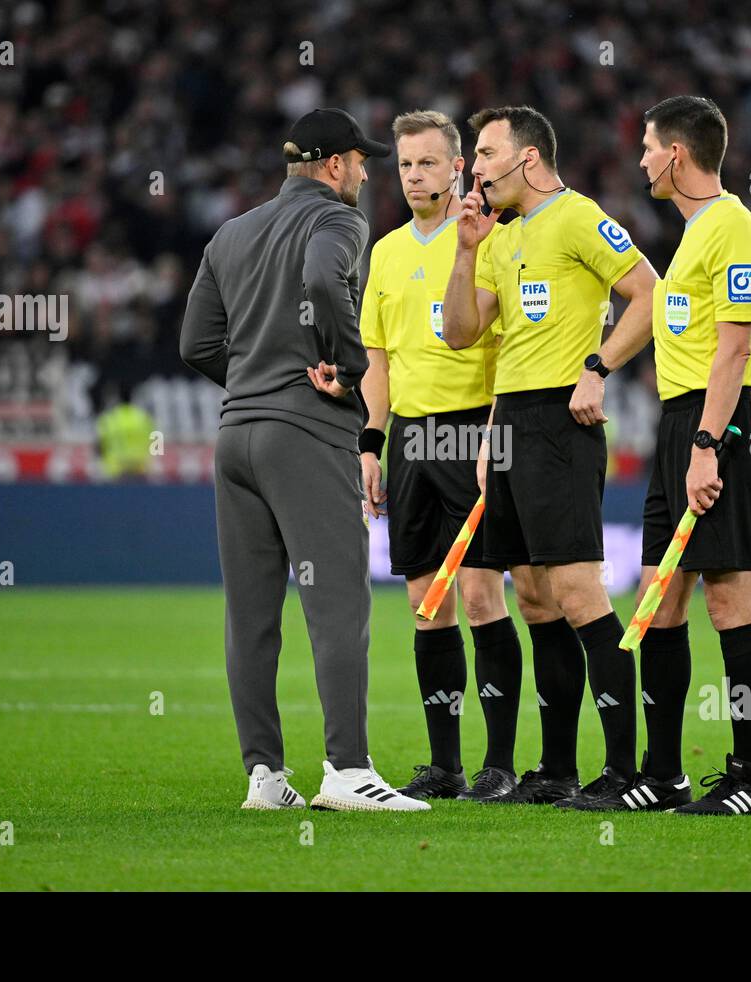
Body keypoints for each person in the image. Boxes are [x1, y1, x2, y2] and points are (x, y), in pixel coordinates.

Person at [180, 108, 427, 813]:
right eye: (361, 160)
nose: (368, 173)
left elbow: (196, 343)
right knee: (338, 603)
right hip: (306, 436)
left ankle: (264, 776)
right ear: (332, 165)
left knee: (250, 617)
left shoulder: (230, 232)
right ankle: (347, 771)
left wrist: (256, 380)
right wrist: (346, 368)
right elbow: (323, 280)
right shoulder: (340, 223)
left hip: (237, 440)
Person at [443, 105, 658, 807]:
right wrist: (467, 249)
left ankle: (628, 773)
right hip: (509, 426)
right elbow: (462, 334)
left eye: (484, 153)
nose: (474, 168)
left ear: (526, 158)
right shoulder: (500, 238)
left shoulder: (578, 217)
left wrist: (598, 367)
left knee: (577, 593)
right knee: (532, 597)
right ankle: (558, 769)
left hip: (562, 424)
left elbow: (648, 294)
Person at [597, 94, 751, 816]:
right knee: (660, 598)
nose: (640, 158)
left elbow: (733, 348)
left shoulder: (734, 228)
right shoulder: (696, 233)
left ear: (676, 153)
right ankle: (664, 773)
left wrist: (707, 444)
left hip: (720, 427)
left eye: (647, 146)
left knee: (730, 598)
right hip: (683, 425)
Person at [358, 110, 523, 802]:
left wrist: (493, 428)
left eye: (428, 162)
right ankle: (445, 764)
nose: (414, 174)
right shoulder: (388, 250)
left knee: (483, 592)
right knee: (427, 603)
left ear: (458, 167)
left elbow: (512, 346)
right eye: (404, 164)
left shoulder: (489, 238)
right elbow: (377, 358)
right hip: (412, 441)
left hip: (473, 433)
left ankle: (501, 763)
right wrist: (370, 441)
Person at [95, 384, 156, 480]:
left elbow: (99, 446)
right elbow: (156, 441)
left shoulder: (109, 418)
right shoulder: (143, 418)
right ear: (132, 398)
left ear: (118, 398)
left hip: (117, 471)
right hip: (140, 469)